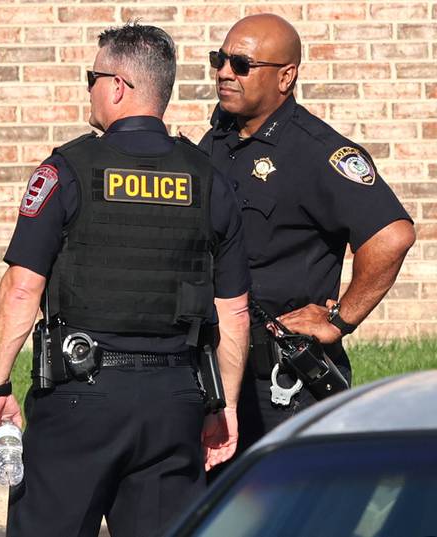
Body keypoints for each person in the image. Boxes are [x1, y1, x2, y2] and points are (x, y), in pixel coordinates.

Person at [0, 23, 250, 537]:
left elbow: (22, 285)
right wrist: (225, 405)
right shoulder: (209, 179)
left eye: (92, 77)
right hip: (175, 400)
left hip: (81, 397)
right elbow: (233, 310)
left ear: (118, 87)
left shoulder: (67, 170)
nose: (89, 88)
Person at [199, 13, 416, 465]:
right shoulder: (219, 137)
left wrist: (340, 320)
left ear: (286, 76)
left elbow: (393, 235)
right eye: (220, 60)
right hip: (216, 373)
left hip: (280, 383)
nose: (224, 72)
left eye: (241, 64)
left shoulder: (317, 152)